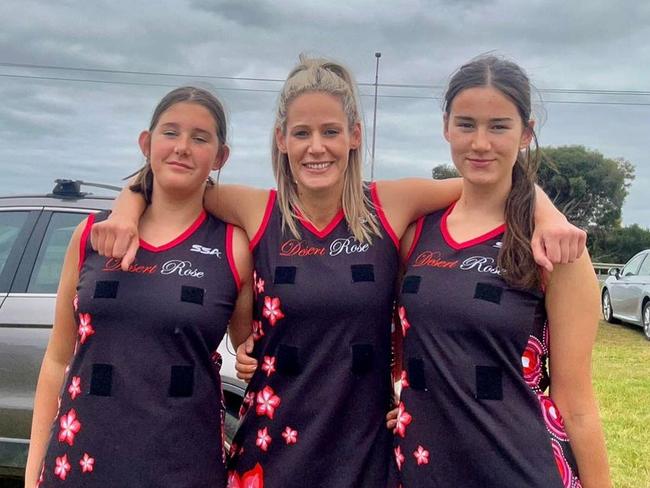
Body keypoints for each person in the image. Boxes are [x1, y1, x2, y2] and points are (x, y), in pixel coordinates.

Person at [90, 56, 586, 488]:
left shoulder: (389, 206)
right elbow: (172, 183)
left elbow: (489, 178)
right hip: (270, 450)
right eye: (301, 133)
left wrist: (549, 215)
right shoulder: (255, 210)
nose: (316, 147)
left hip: (363, 453)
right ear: (281, 139)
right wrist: (126, 208)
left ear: (354, 136)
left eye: (330, 131)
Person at [386, 55, 611, 487]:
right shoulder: (416, 234)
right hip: (422, 468)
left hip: (518, 468)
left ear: (526, 133)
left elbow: (576, 402)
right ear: (446, 127)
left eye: (499, 126)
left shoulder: (554, 247)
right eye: (466, 124)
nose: (481, 143)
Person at [25, 86, 253, 488]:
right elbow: (57, 360)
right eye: (171, 132)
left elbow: (253, 350)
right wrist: (33, 473)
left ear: (220, 157)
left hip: (184, 468)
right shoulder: (90, 236)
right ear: (146, 143)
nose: (182, 147)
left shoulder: (234, 247)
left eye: (200, 138)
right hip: (79, 464)